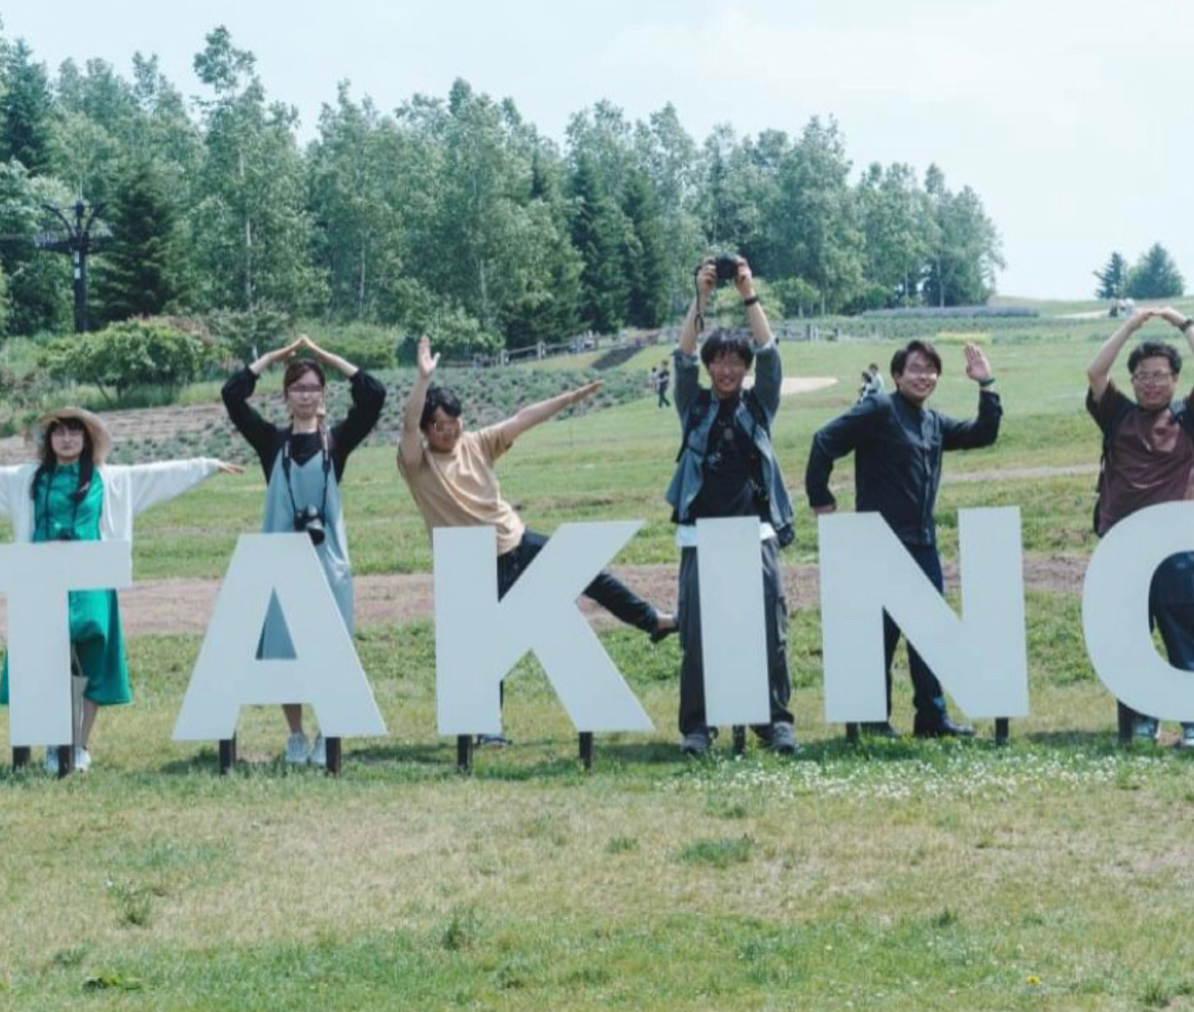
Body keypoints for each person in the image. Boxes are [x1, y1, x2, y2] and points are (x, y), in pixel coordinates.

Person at [0, 409, 239, 772]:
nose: (67, 438)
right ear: (49, 440)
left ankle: (80, 744)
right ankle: (52, 741)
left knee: (92, 649)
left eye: (75, 431)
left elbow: (157, 476)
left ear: (87, 438)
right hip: (39, 579)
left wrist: (207, 465)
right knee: (42, 658)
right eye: (58, 432)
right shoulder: (26, 479)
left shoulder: (109, 479)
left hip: (91, 579)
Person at [399, 334, 675, 749]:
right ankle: (488, 728)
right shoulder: (415, 463)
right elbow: (405, 424)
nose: (450, 433)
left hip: (517, 542)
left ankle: (652, 620)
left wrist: (568, 399)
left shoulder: (476, 444)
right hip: (470, 566)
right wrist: (423, 379)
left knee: (589, 574)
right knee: (482, 642)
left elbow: (522, 419)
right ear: (426, 428)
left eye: (455, 424)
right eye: (440, 427)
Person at [806, 339, 1002, 739]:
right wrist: (821, 498)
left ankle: (932, 719)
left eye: (930, 370)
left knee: (929, 634)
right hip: (879, 543)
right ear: (897, 375)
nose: (923, 376)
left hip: (922, 543)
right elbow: (824, 441)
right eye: (915, 368)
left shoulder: (933, 422)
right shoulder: (879, 409)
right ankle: (873, 720)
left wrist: (987, 385)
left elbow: (983, 434)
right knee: (880, 635)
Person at [223, 334, 387, 767]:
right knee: (283, 649)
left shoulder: (338, 441)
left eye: (314, 388)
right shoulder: (270, 442)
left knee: (331, 651)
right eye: (298, 388)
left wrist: (329, 358)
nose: (306, 396)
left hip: (327, 561)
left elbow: (374, 396)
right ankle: (296, 735)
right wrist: (271, 359)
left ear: (323, 394)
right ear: (286, 396)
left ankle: (326, 736)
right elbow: (232, 397)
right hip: (281, 561)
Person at [667, 256, 798, 757]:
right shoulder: (693, 406)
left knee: (771, 627)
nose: (725, 369)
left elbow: (771, 351)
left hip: (757, 533)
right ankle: (698, 728)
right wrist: (699, 298)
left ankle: (775, 721)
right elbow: (681, 357)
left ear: (744, 369)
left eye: (734, 362)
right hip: (700, 537)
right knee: (697, 635)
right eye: (718, 361)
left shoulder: (760, 406)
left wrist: (748, 293)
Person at [1086, 305, 1194, 748]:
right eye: (1142, 375)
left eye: (1160, 374)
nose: (1151, 382)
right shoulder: (1118, 414)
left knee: (1184, 629)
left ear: (1175, 379)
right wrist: (1130, 326)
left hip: (1175, 544)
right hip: (1121, 542)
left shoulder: (1188, 417)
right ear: (1133, 380)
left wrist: (1180, 321)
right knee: (1130, 635)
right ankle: (1143, 719)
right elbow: (1095, 371)